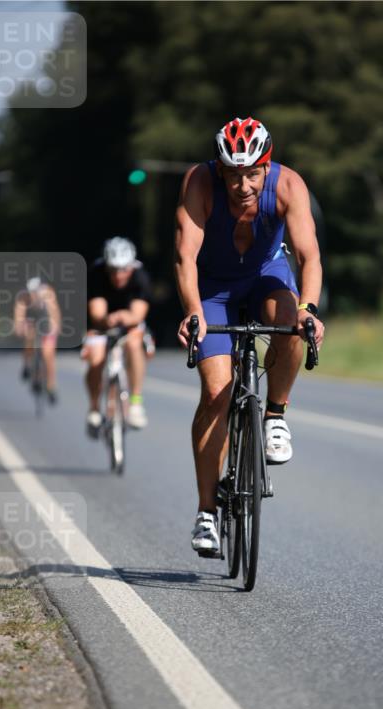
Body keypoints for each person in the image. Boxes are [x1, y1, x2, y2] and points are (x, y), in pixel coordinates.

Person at [174, 116, 325, 555]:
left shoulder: (288, 186)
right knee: (216, 393)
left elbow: (308, 256)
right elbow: (185, 257)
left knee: (291, 321)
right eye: (234, 175)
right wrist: (193, 311)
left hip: (265, 275)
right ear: (221, 170)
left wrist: (309, 310)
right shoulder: (199, 183)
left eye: (253, 174)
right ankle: (206, 512)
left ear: (267, 166)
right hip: (213, 287)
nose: (243, 186)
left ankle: (275, 416)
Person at [82, 237, 154, 435]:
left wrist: (124, 316)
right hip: (102, 322)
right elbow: (97, 314)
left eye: (123, 270)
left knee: (134, 343)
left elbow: (138, 315)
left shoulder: (140, 276)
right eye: (113, 270)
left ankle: (136, 402)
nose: (118, 275)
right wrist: (109, 320)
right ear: (106, 266)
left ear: (131, 266)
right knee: (96, 356)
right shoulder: (96, 273)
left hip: (130, 322)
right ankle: (94, 407)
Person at [14, 278, 60, 402]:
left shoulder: (48, 293)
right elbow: (19, 314)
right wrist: (19, 326)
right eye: (31, 293)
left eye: (36, 293)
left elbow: (54, 312)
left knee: (48, 355)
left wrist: (55, 326)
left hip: (45, 322)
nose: (33, 296)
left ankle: (51, 386)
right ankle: (27, 364)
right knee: (29, 337)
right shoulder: (23, 297)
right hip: (30, 321)